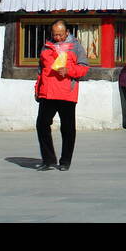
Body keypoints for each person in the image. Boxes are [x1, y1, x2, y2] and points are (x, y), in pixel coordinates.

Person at [34, 20, 90, 171]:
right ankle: (48, 159)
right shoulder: (46, 46)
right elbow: (40, 70)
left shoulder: (76, 47)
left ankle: (65, 161)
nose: (57, 37)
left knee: (67, 128)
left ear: (67, 32)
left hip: (67, 92)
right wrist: (37, 89)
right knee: (42, 124)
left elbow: (84, 67)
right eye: (54, 34)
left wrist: (69, 71)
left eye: (60, 34)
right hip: (47, 91)